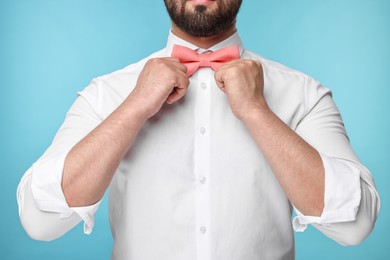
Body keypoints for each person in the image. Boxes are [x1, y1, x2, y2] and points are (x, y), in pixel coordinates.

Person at [17, 0, 380, 259]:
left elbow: (355, 225)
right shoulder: (106, 94)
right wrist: (135, 106)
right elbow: (39, 220)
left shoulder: (303, 94)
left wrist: (257, 111)